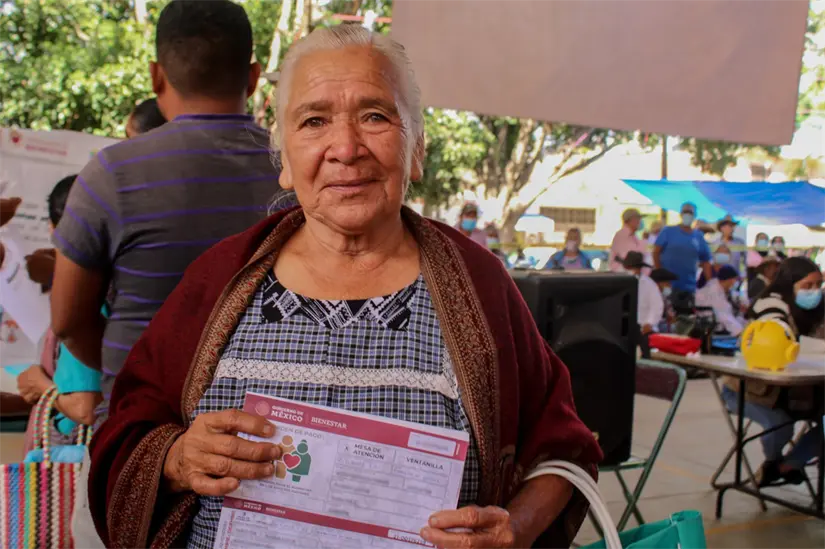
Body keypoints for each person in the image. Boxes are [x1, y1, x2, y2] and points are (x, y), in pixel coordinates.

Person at [89, 25, 602, 549]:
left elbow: (562, 448)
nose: (345, 147)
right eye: (314, 121)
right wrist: (176, 459)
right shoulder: (218, 279)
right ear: (285, 160)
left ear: (417, 148)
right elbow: (127, 427)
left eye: (375, 116)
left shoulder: (479, 285)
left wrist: (515, 528)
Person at [50, 0, 282, 396]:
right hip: (259, 429)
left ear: (156, 76)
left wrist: (135, 369)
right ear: (254, 78)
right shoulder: (297, 171)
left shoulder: (111, 174)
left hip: (137, 428)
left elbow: (69, 322)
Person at [15, 175, 103, 453]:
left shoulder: (88, 299)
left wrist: (39, 385)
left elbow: (84, 407)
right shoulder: (121, 289)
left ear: (55, 231)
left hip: (73, 454)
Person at [724, 257, 825, 486]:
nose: (814, 291)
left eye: (818, 285)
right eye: (807, 286)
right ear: (789, 283)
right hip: (750, 390)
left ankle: (786, 465)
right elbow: (780, 342)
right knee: (780, 424)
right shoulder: (770, 305)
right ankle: (773, 462)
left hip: (794, 391)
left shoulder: (816, 309)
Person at [653, 202, 713, 297]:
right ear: (680, 214)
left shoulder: (698, 236)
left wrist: (711, 284)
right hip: (667, 285)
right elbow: (656, 252)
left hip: (689, 288)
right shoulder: (668, 231)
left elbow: (706, 261)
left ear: (695, 216)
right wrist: (660, 278)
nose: (687, 215)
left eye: (690, 212)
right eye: (685, 212)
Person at [695, 265, 745, 336]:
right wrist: (740, 332)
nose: (734, 282)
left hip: (714, 320)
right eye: (734, 279)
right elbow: (723, 315)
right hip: (711, 323)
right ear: (729, 280)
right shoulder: (714, 290)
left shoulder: (718, 288)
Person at [623, 251, 665, 334]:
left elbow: (657, 305)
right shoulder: (619, 282)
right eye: (630, 268)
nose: (634, 270)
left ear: (640, 268)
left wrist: (649, 323)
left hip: (644, 328)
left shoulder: (649, 284)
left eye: (636, 268)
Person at [609, 208, 646, 272]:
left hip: (630, 271)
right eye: (638, 219)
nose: (640, 221)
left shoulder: (634, 236)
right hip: (623, 272)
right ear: (630, 220)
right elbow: (628, 257)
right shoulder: (622, 235)